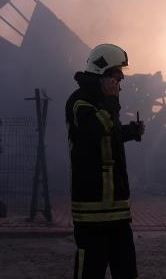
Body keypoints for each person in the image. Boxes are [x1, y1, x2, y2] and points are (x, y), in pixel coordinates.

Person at [66, 43, 145, 279]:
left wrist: (131, 131)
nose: (120, 82)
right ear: (102, 72)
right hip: (91, 210)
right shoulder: (79, 102)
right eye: (116, 76)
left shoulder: (103, 103)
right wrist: (111, 103)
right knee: (91, 270)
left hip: (118, 210)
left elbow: (110, 134)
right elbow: (95, 129)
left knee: (126, 271)